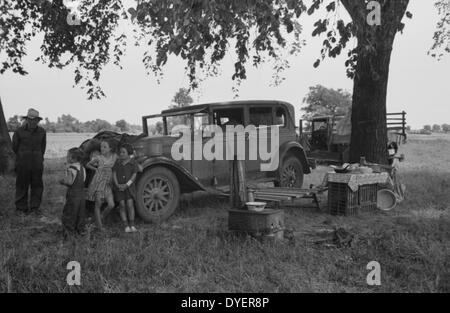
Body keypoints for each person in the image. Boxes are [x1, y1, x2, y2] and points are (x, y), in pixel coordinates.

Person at [12, 108, 46, 215]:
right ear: (27, 119)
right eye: (30, 120)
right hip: (23, 163)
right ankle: (21, 208)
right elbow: (14, 147)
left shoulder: (42, 132)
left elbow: (43, 148)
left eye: (35, 120)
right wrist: (22, 156)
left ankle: (34, 208)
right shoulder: (19, 131)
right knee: (22, 185)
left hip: (37, 163)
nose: (32, 122)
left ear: (38, 121)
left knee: (37, 185)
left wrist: (39, 157)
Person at [85, 140, 117, 231]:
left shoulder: (114, 157)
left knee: (111, 204)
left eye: (104, 147)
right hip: (99, 182)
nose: (102, 149)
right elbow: (88, 165)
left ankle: (99, 218)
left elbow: (125, 158)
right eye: (101, 147)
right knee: (98, 203)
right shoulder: (98, 158)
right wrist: (95, 169)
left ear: (110, 148)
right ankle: (100, 227)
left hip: (108, 183)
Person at [59, 148, 86, 239]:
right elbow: (83, 180)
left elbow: (70, 182)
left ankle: (69, 232)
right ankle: (80, 230)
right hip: (82, 194)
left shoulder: (71, 169)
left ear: (72, 159)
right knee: (80, 213)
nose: (66, 158)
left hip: (73, 194)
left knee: (70, 212)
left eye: (67, 156)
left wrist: (63, 181)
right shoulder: (82, 167)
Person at [113, 144, 138, 233]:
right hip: (119, 188)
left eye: (124, 152)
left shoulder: (133, 163)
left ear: (129, 153)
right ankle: (125, 225)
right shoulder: (117, 162)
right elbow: (114, 173)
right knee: (122, 205)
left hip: (129, 188)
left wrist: (127, 185)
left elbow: (134, 175)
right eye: (120, 152)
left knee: (130, 204)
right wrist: (117, 184)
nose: (121, 154)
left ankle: (132, 224)